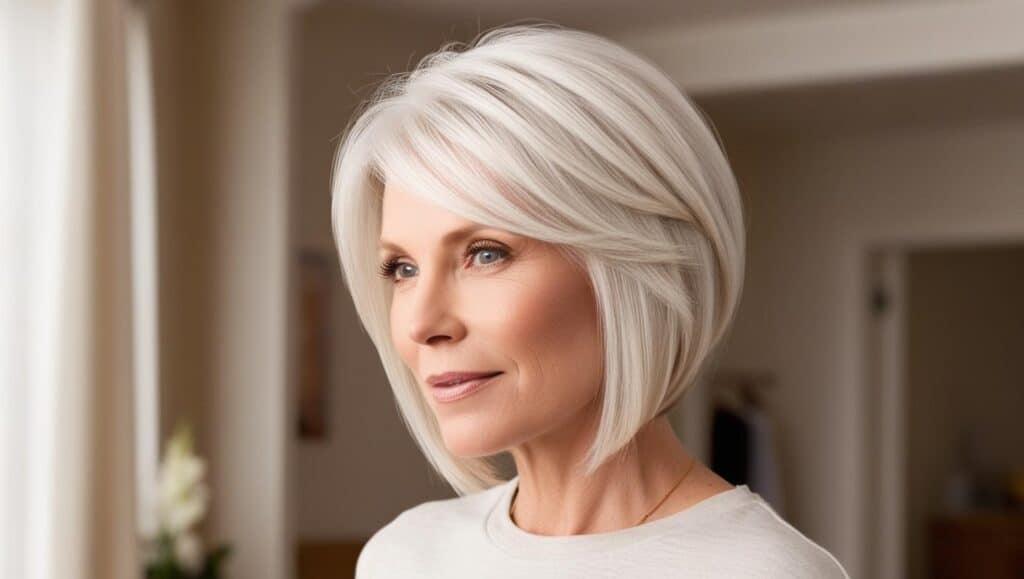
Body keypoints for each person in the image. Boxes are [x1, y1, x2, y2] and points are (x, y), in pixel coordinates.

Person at [331, 22, 850, 578]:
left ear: (626, 270)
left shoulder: (760, 571)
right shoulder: (404, 556)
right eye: (402, 268)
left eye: (485, 254)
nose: (421, 322)